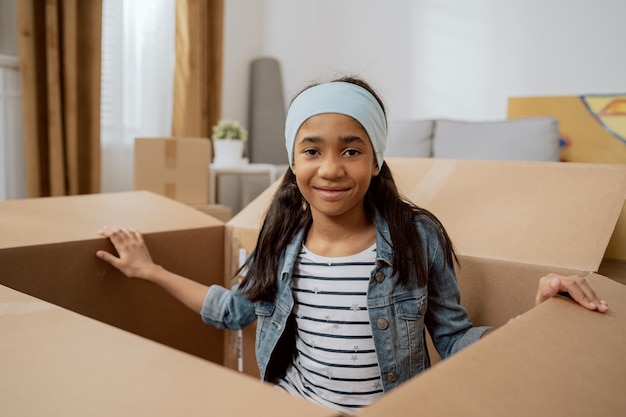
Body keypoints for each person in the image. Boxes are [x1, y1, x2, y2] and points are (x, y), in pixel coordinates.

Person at [97, 76, 608, 414]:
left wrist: (533, 321)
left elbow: (453, 339)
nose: (332, 167)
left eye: (352, 149)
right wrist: (149, 271)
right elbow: (232, 311)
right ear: (293, 163)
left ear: (377, 160)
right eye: (312, 149)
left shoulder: (416, 237)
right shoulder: (279, 243)